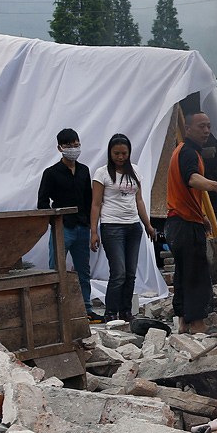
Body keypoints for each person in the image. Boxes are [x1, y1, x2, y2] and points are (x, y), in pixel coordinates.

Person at [166, 92, 217, 334]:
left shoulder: (182, 151)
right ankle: (197, 323)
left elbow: (186, 189)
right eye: (201, 126)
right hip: (184, 223)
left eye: (208, 126)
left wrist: (202, 216)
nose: (206, 131)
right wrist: (215, 185)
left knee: (184, 273)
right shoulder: (187, 153)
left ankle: (183, 321)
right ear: (187, 128)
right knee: (196, 274)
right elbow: (191, 179)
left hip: (180, 221)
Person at [90, 133, 156, 321]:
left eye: (124, 153)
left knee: (130, 273)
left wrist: (148, 225)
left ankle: (126, 311)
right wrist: (94, 231)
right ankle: (111, 313)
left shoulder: (135, 171)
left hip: (133, 226)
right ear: (110, 153)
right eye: (116, 153)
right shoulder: (102, 173)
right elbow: (96, 204)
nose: (120, 157)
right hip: (112, 227)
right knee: (118, 272)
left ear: (129, 153)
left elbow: (139, 200)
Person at [37, 128, 98, 322]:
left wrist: (91, 226)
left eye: (76, 145)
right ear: (60, 148)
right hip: (62, 227)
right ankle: (56, 309)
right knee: (56, 269)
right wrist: (54, 221)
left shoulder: (84, 170)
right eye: (69, 145)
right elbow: (42, 203)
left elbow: (89, 200)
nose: (73, 149)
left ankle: (86, 308)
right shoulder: (51, 173)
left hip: (82, 227)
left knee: (83, 270)